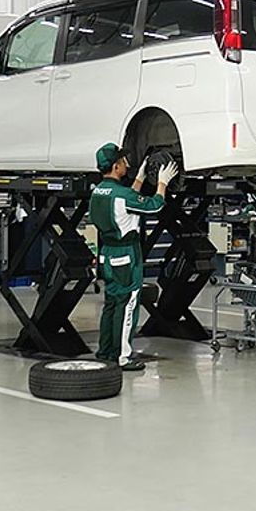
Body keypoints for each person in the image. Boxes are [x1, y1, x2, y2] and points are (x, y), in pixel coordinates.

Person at [89, 143, 178, 371]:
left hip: (107, 255)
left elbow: (126, 202)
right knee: (128, 305)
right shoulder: (122, 195)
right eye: (123, 161)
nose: (127, 164)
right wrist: (162, 183)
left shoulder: (97, 192)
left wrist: (139, 178)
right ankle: (123, 357)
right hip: (126, 256)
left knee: (111, 304)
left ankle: (106, 351)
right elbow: (154, 206)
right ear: (116, 166)